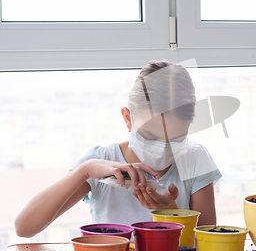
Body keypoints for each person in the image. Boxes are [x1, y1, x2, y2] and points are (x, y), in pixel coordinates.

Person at [15, 61, 221, 238]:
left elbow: (206, 245)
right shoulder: (102, 161)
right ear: (127, 118)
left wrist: (171, 213)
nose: (162, 148)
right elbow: (24, 228)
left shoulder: (195, 158)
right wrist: (84, 170)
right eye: (150, 136)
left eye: (176, 138)